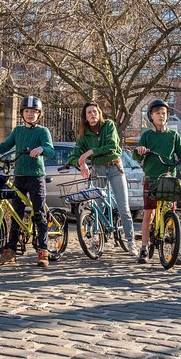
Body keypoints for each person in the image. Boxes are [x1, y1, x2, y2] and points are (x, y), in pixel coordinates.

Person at [0, 96, 55, 267]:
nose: (30, 114)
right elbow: (5, 146)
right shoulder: (18, 131)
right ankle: (11, 250)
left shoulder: (43, 132)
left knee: (39, 214)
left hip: (36, 177)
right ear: (21, 113)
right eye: (27, 111)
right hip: (19, 176)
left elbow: (50, 150)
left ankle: (43, 251)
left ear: (39, 114)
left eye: (33, 112)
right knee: (16, 213)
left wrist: (41, 149)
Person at [133, 99, 181, 264]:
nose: (161, 116)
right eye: (157, 113)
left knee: (171, 213)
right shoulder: (147, 135)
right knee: (149, 213)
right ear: (151, 116)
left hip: (170, 179)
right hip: (152, 178)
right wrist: (140, 150)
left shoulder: (173, 135)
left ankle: (174, 250)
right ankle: (143, 247)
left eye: (164, 113)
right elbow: (136, 155)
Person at [67, 102, 139, 256]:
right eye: (89, 112)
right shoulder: (84, 134)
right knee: (97, 207)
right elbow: (74, 155)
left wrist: (90, 152)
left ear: (99, 113)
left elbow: (112, 146)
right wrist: (81, 163)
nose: (92, 114)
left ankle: (131, 241)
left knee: (123, 206)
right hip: (98, 169)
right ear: (85, 117)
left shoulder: (109, 126)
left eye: (95, 111)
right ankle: (96, 240)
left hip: (115, 167)